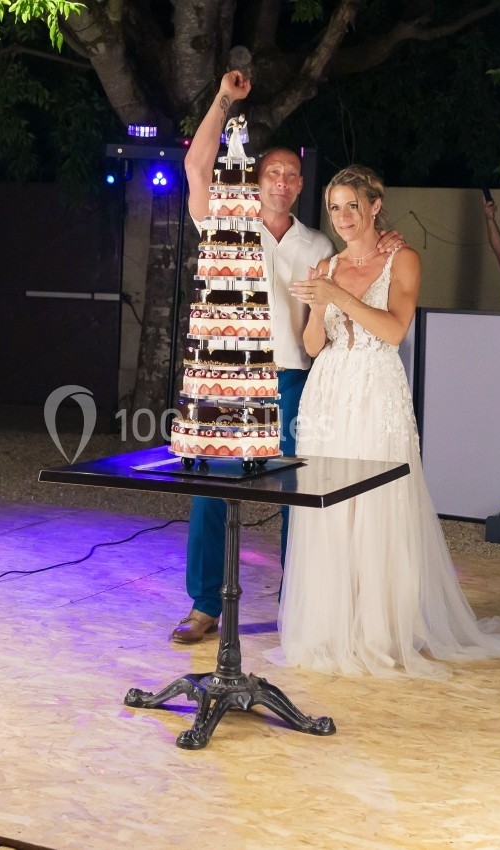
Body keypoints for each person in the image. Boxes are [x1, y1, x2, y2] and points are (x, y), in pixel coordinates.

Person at [275, 166, 500, 677]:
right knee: (327, 511)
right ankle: (330, 628)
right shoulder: (327, 266)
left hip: (377, 391)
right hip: (328, 394)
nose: (343, 217)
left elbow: (394, 329)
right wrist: (316, 304)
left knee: (376, 506)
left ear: (375, 206)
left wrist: (340, 299)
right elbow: (313, 347)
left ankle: (378, 631)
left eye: (352, 205)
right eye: (334, 207)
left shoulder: (404, 259)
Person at [172, 72, 401, 643]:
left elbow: (362, 257)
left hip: (297, 379)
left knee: (299, 496)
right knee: (212, 491)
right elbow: (197, 167)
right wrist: (225, 100)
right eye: (272, 171)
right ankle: (205, 605)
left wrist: (388, 241)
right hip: (228, 381)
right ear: (256, 177)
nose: (281, 181)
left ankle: (300, 604)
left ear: (301, 186)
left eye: (292, 174)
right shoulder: (225, 218)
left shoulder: (318, 246)